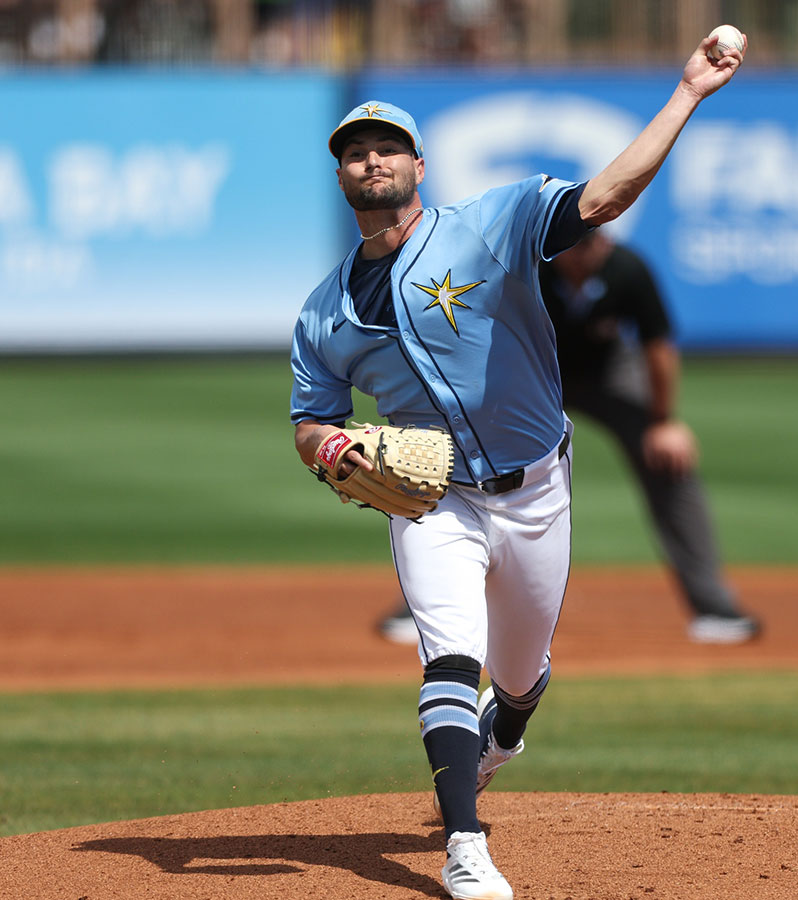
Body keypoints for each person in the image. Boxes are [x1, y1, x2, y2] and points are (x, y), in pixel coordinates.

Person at [289, 29, 744, 900]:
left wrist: (687, 93)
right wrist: (334, 448)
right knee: (448, 656)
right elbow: (312, 420)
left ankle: (510, 729)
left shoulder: (492, 223)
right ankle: (465, 842)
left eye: (388, 146)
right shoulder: (325, 312)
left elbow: (605, 197)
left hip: (537, 486)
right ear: (341, 175)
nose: (371, 158)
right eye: (355, 151)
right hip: (432, 501)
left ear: (420, 167)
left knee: (522, 674)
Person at [377, 229, 761, 645]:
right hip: (530, 373)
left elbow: (658, 346)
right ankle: (425, 605)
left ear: (607, 243)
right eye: (573, 244)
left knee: (669, 460)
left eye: (591, 242)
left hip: (607, 373)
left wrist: (664, 421)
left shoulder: (627, 270)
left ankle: (714, 606)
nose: (582, 252)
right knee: (467, 466)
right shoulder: (527, 271)